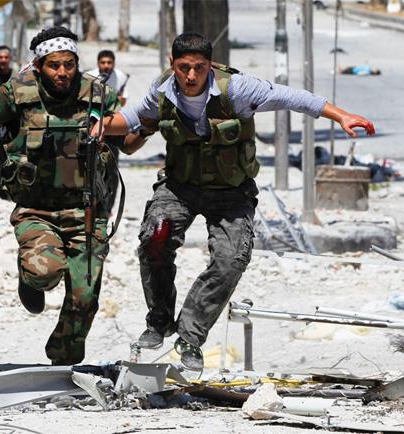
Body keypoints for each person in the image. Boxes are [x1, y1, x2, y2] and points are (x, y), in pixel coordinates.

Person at [92, 32, 375, 371]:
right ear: (173, 64)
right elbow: (134, 116)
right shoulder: (164, 88)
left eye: (199, 68)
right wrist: (98, 127)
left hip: (230, 192)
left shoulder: (237, 90)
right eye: (184, 68)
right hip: (180, 186)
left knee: (231, 260)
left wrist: (340, 115)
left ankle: (190, 336)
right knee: (155, 238)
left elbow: (291, 97)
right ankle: (159, 320)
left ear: (210, 64)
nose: (191, 76)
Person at [0, 26, 145, 366]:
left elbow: (125, 142)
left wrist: (148, 128)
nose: (63, 72)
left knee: (85, 298)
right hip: (35, 210)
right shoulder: (16, 92)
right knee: (45, 271)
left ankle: (63, 362)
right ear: (39, 66)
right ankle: (30, 276)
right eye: (54, 65)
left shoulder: (98, 93)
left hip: (87, 211)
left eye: (69, 64)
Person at [85, 50, 131, 213]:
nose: (106, 66)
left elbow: (121, 102)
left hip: (111, 125)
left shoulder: (121, 77)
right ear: (98, 63)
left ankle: (108, 209)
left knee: (111, 169)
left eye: (109, 62)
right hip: (92, 125)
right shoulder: (89, 77)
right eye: (103, 62)